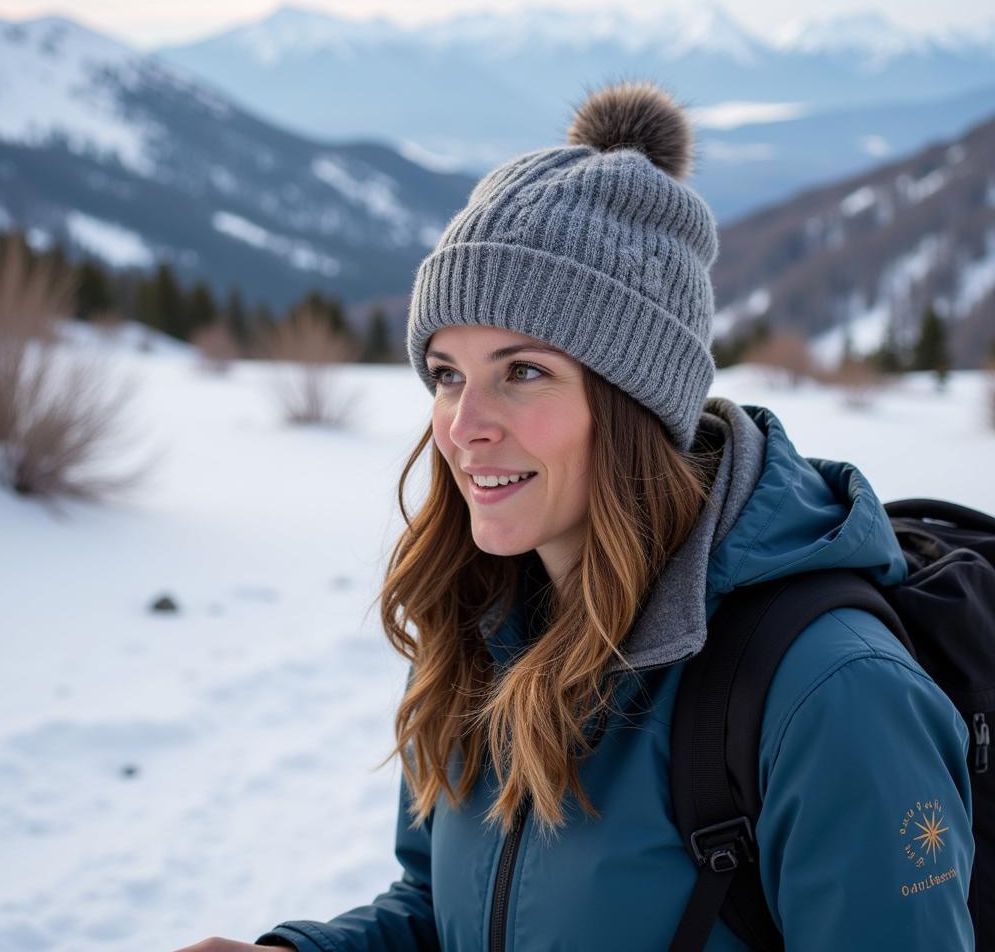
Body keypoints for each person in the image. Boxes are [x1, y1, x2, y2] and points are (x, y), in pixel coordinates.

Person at [175, 80, 974, 952]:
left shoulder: (826, 692)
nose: (462, 425)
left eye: (522, 371)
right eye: (446, 372)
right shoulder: (480, 623)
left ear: (634, 402)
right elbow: (443, 909)